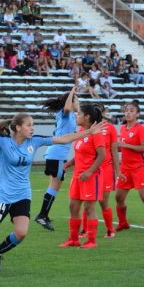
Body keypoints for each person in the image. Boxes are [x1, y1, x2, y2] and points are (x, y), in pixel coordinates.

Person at [0, 99, 106, 274]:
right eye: (29, 125)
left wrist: (89, 132)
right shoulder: (3, 141)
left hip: (23, 195)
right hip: (3, 196)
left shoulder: (34, 142)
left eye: (33, 125)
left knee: (21, 233)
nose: (33, 128)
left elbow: (63, 139)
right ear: (18, 128)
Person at [58, 103, 107, 249]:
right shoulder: (81, 131)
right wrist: (69, 163)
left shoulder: (96, 133)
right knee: (73, 206)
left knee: (89, 208)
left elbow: (102, 155)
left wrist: (90, 171)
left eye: (79, 114)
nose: (76, 116)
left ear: (87, 117)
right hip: (78, 176)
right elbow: (80, 153)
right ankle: (74, 239)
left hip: (91, 176)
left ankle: (92, 241)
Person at [113, 102, 144, 234]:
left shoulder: (140, 129)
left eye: (132, 110)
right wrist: (113, 146)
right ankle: (123, 223)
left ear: (137, 114)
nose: (128, 113)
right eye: (126, 110)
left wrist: (125, 145)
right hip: (125, 168)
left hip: (140, 168)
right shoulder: (123, 129)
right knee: (118, 197)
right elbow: (121, 147)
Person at [34, 87, 78, 231]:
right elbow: (66, 108)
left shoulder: (71, 116)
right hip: (57, 154)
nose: (79, 103)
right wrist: (72, 92)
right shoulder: (66, 113)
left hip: (57, 154)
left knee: (54, 185)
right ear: (71, 102)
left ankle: (43, 215)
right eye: (77, 100)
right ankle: (42, 215)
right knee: (55, 186)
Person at [78, 106, 119, 239]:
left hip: (106, 169)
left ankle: (110, 230)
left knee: (103, 202)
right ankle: (85, 230)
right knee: (87, 201)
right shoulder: (83, 129)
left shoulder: (110, 128)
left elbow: (113, 151)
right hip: (90, 169)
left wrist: (117, 171)